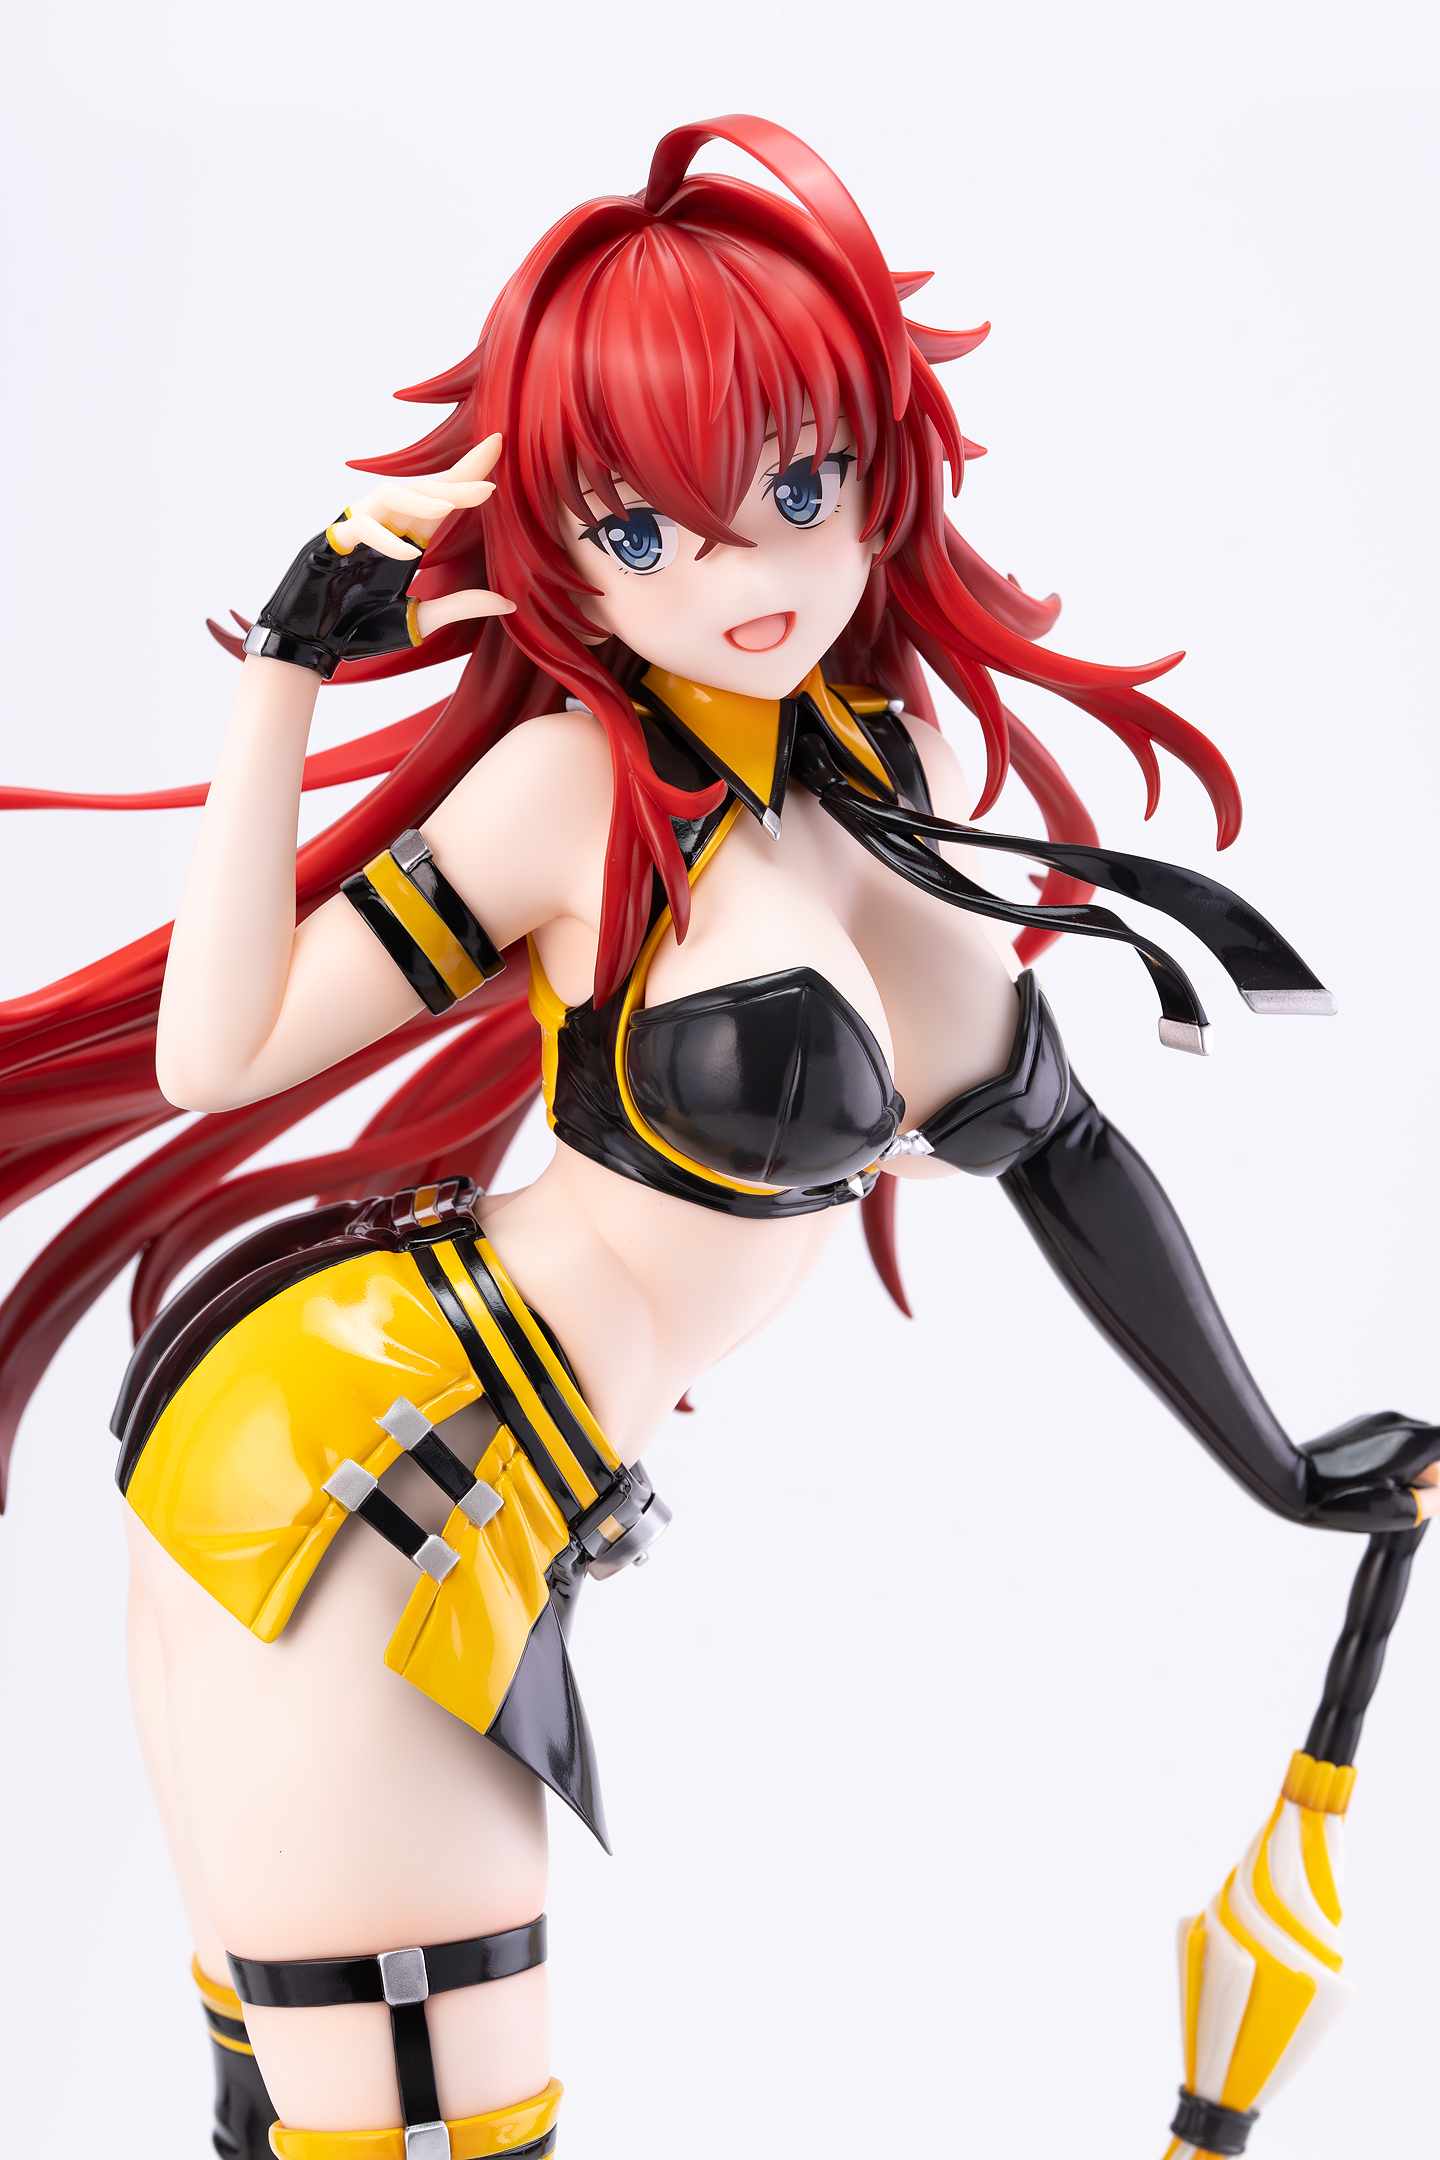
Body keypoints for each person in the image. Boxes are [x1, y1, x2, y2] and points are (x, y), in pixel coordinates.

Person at [1, 113, 1434, 2160]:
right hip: (359, 1487)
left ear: (877, 467)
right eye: (648, 530)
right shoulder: (565, 796)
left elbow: (1054, 1141)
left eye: (798, 488)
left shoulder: (871, 776)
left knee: (315, 2119)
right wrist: (291, 667)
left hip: (450, 1472)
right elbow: (213, 1056)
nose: (747, 578)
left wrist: (1279, 1463)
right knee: (415, 2138)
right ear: (565, 559)